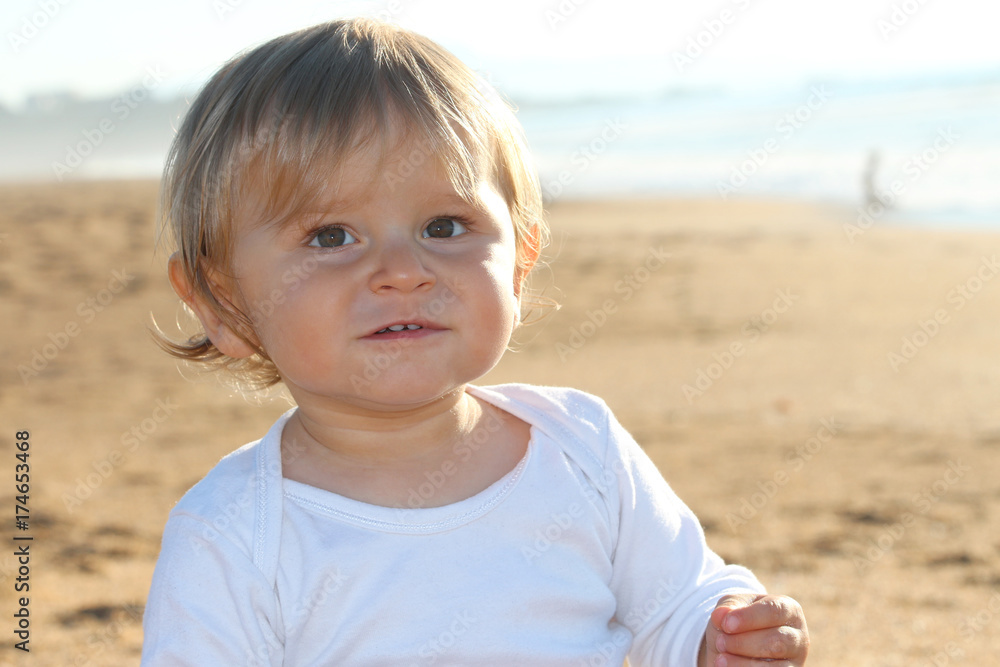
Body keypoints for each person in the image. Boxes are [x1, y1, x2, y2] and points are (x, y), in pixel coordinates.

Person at [141, 18, 809, 667]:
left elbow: (677, 603)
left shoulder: (582, 449)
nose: (403, 270)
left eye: (444, 226)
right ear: (224, 303)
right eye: (331, 236)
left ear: (519, 262)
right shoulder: (233, 534)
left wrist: (720, 637)